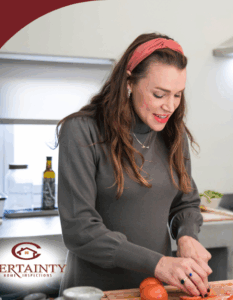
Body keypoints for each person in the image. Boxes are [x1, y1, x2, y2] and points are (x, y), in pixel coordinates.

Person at [54, 32, 213, 298]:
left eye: (178, 95)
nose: (170, 106)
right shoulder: (82, 131)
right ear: (129, 82)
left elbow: (184, 201)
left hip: (156, 290)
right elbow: (79, 229)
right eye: (159, 94)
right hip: (95, 291)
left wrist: (186, 235)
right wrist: (159, 263)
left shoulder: (174, 134)